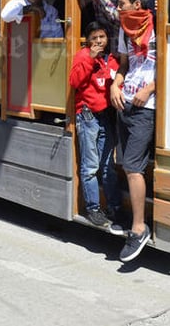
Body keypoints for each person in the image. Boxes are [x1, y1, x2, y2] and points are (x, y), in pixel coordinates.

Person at [109, 0, 156, 263]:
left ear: (137, 5)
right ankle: (131, 220)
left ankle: (139, 228)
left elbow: (168, 65)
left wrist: (149, 89)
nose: (118, 8)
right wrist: (116, 85)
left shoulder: (157, 27)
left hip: (145, 105)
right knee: (126, 163)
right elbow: (125, 65)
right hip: (124, 102)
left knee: (133, 166)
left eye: (122, 3)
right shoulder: (124, 29)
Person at [69, 21, 123, 230]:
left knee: (108, 164)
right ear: (87, 40)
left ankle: (115, 206)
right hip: (88, 116)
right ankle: (93, 208)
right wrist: (90, 59)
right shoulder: (83, 55)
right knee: (90, 167)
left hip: (106, 116)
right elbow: (74, 82)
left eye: (101, 37)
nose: (98, 41)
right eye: (94, 38)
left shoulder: (111, 59)